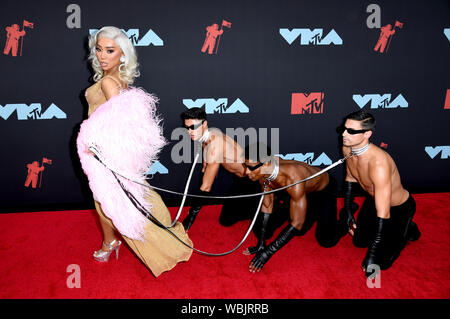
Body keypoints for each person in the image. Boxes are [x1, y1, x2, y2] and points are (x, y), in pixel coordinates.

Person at [77, 26, 192, 277]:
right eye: (99, 49)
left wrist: (100, 149)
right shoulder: (120, 80)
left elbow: (120, 123)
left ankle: (114, 243)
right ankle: (110, 241)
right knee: (105, 202)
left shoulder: (109, 82)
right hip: (103, 155)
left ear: (122, 54)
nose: (102, 55)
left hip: (104, 155)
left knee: (110, 203)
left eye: (110, 50)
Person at [338, 110, 420, 277]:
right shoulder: (348, 148)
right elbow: (350, 176)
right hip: (373, 201)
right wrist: (347, 209)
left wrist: (373, 253)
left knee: (381, 262)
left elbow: (383, 212)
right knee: (359, 242)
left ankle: (408, 228)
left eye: (351, 131)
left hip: (397, 208)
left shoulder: (379, 164)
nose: (344, 134)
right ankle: (397, 231)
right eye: (344, 128)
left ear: (367, 134)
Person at [242, 143, 344, 273]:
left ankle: (345, 219)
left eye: (250, 168)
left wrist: (267, 252)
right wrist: (261, 244)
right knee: (286, 230)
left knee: (326, 240)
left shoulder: (293, 178)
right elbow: (267, 205)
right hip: (302, 193)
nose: (246, 172)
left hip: (324, 191)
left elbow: (297, 223)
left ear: (266, 164)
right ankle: (313, 213)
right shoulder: (263, 172)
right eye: (245, 166)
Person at [179, 107, 270, 234]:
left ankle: (271, 205)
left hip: (253, 180)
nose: (190, 131)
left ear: (204, 123)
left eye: (193, 127)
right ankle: (253, 207)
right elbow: (206, 169)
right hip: (239, 180)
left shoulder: (214, 146)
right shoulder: (207, 136)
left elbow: (206, 187)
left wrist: (190, 218)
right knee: (226, 220)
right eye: (186, 127)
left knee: (263, 230)